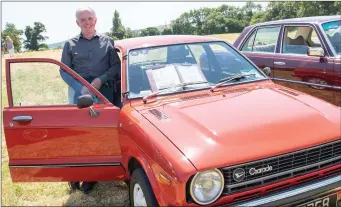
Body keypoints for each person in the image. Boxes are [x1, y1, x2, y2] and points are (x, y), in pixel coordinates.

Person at [59, 6, 120, 194]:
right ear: (77, 23)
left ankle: (93, 175)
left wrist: (99, 80)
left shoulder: (108, 41)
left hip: (105, 95)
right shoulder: (70, 44)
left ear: (96, 19)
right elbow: (63, 70)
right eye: (83, 19)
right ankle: (76, 174)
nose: (87, 22)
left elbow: (116, 67)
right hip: (81, 96)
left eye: (90, 18)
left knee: (101, 135)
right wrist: (81, 87)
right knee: (80, 136)